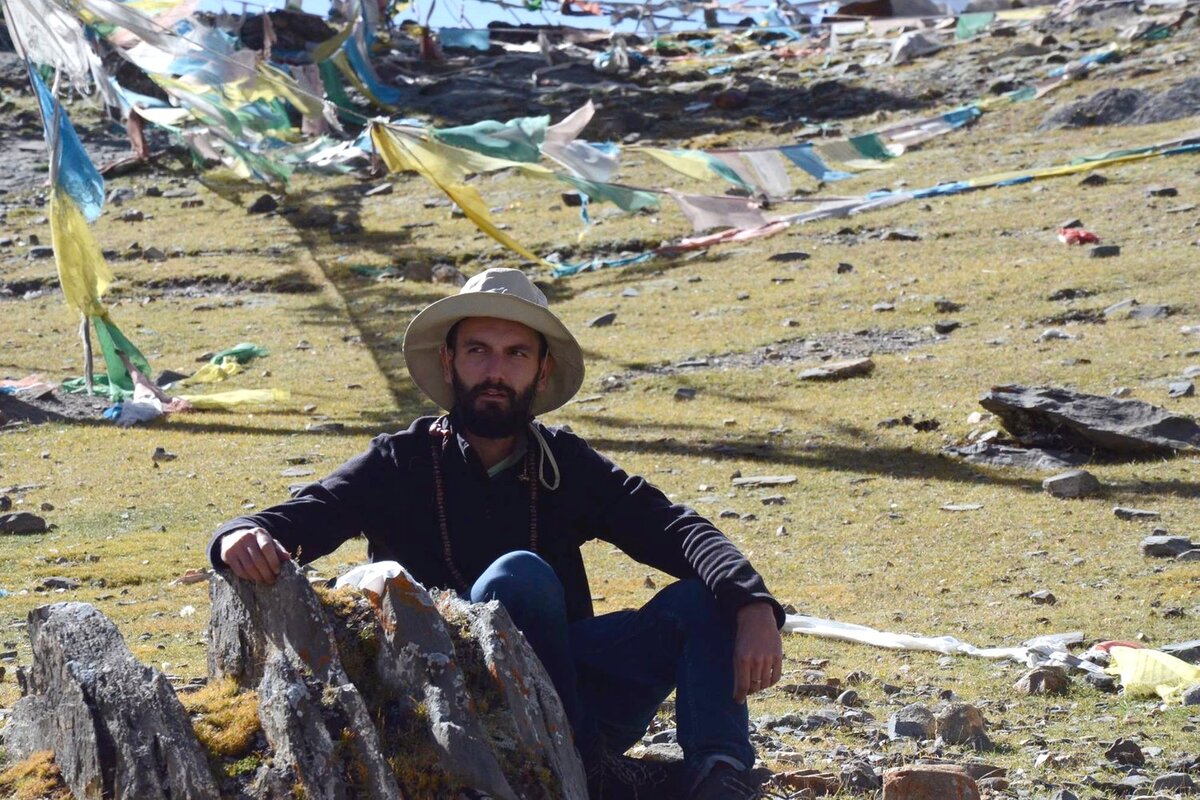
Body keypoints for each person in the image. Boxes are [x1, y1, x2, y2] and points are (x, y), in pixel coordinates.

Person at [208, 268, 785, 800]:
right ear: (450, 359)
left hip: (573, 697)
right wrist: (239, 534)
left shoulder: (564, 463)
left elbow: (674, 527)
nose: (495, 371)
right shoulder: (399, 462)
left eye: (515, 354)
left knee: (705, 597)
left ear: (541, 370)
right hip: (453, 706)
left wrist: (752, 603)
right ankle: (592, 771)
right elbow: (301, 516)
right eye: (479, 351)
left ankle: (719, 775)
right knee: (521, 576)